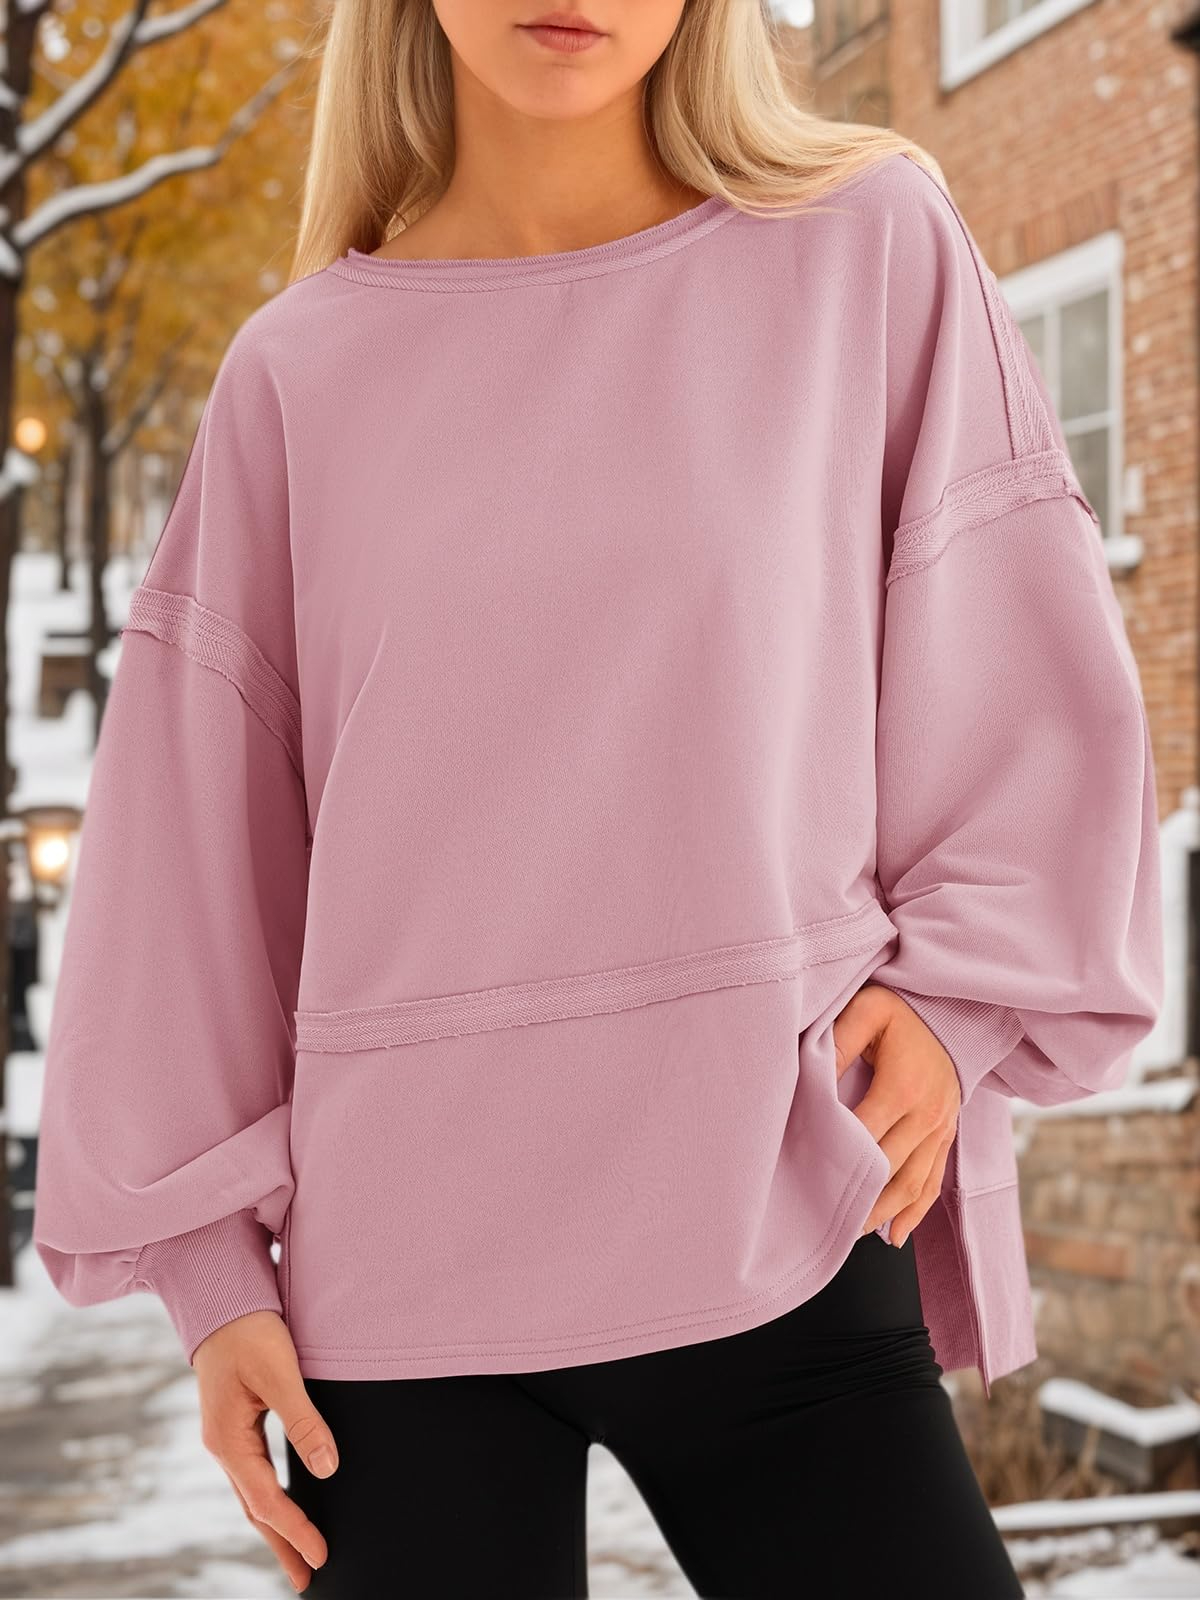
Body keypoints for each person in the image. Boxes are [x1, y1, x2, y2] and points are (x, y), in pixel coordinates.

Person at [31, 1, 1163, 1596]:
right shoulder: (295, 375)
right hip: (401, 1295)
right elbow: (193, 854)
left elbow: (1012, 653)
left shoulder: (868, 249)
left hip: (785, 1209)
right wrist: (213, 1277)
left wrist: (957, 998)